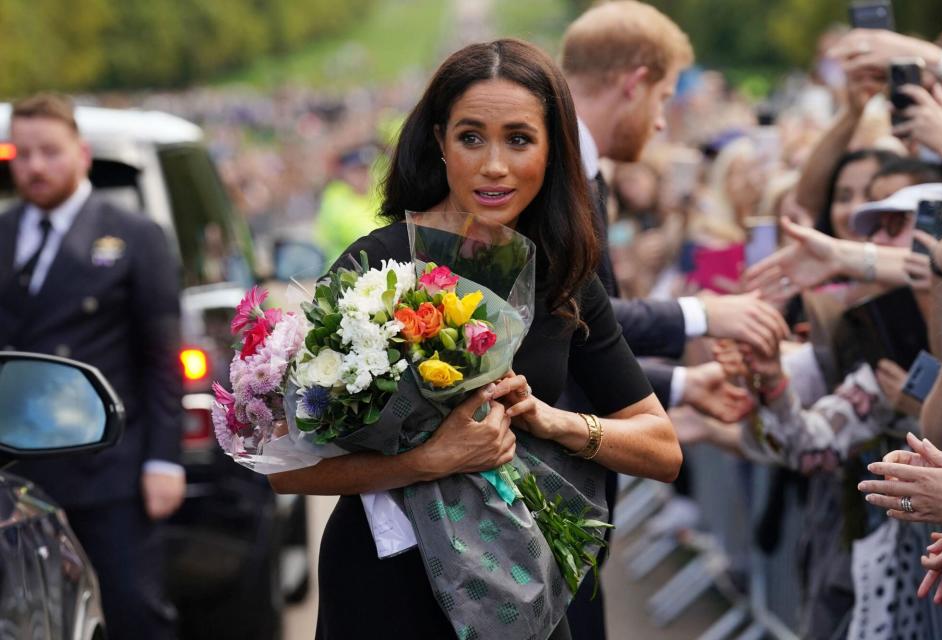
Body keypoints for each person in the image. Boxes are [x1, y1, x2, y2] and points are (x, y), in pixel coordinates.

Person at [268, 38, 682, 640]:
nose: (494, 165)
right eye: (470, 137)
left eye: (519, 139)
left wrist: (552, 421)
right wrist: (427, 460)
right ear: (439, 142)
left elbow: (662, 449)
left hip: (519, 586)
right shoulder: (375, 266)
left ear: (552, 149)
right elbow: (285, 471)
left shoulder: (564, 275)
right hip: (385, 588)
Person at [558, 4, 786, 636]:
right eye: (660, 96)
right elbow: (579, 318)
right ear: (634, 81)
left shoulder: (579, 163)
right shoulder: (561, 167)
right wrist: (706, 313)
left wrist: (682, 386)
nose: (662, 120)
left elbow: (588, 341)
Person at [0, 94, 184, 638]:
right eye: (23, 152)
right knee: (32, 618)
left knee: (131, 610)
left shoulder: (133, 234)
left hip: (109, 467)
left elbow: (161, 359)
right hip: (17, 473)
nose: (34, 166)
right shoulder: (3, 234)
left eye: (50, 152)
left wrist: (163, 462)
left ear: (81, 153)